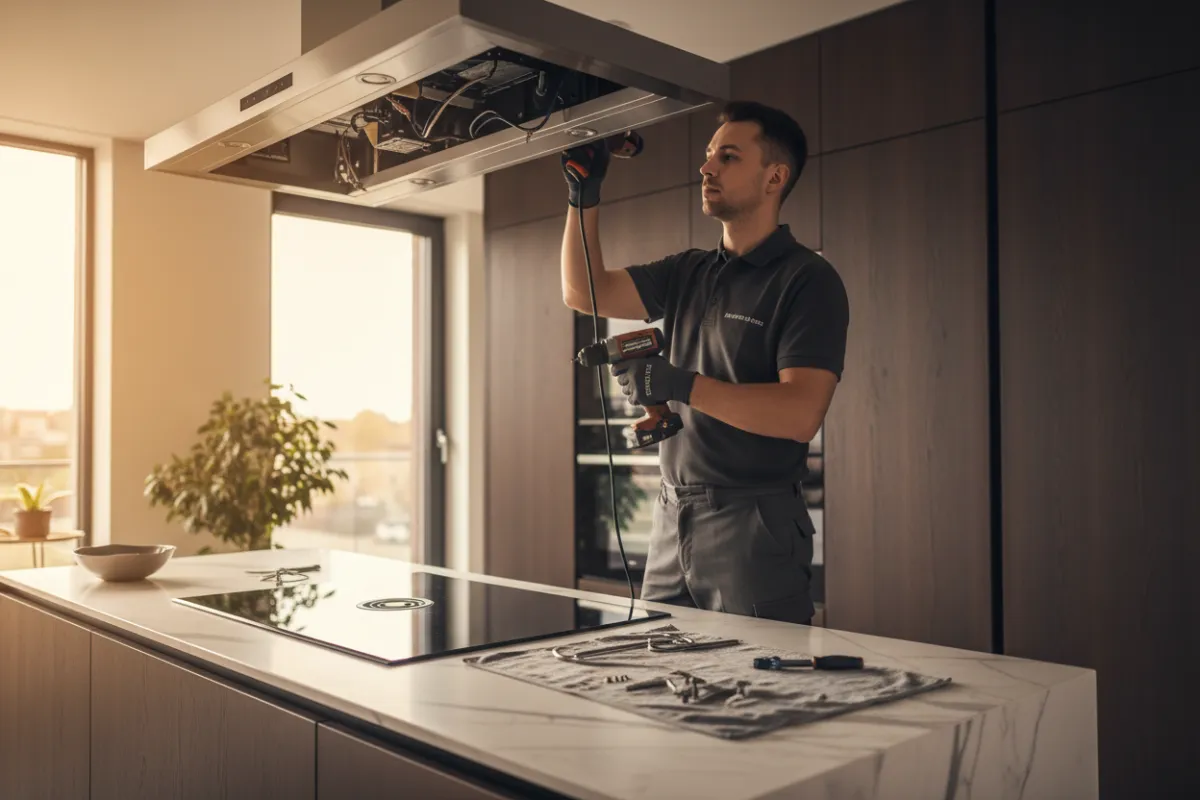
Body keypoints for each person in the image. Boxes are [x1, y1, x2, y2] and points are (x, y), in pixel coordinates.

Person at [559, 101, 850, 625]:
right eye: (709, 155)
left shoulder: (807, 279)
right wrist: (583, 197)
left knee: (762, 690)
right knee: (658, 678)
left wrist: (682, 384)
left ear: (774, 177)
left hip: (753, 522)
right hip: (672, 515)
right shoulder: (689, 271)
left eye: (729, 156)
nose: (706, 167)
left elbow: (800, 413)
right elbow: (585, 291)